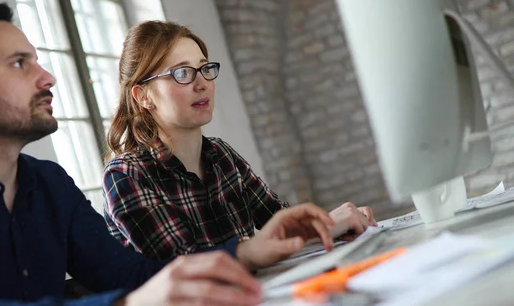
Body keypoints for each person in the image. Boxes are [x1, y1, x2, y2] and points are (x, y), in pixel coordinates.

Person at [0, 3, 349, 306]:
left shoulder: (50, 185)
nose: (48, 77)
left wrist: (248, 251)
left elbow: (130, 274)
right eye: (20, 64)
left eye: (38, 60)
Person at [103, 20, 378, 261]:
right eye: (182, 73)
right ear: (144, 96)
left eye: (204, 68)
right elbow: (184, 265)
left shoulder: (221, 155)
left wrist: (333, 222)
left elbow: (280, 223)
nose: (202, 84)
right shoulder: (126, 175)